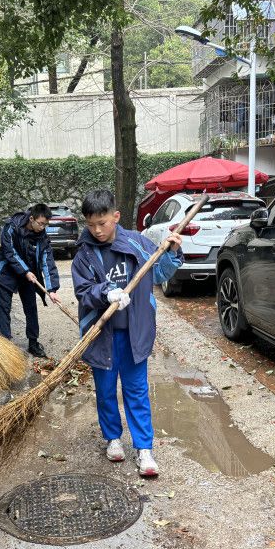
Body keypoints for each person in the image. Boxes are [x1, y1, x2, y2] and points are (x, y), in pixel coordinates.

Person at [71, 190, 183, 477]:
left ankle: (144, 448)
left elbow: (159, 274)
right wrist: (106, 292)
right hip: (101, 335)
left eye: (103, 223)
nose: (97, 231)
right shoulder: (84, 254)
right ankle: (113, 439)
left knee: (136, 391)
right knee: (106, 392)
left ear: (116, 216)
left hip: (135, 334)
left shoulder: (137, 242)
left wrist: (170, 251)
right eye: (91, 225)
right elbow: (83, 292)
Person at [0, 203, 60, 358]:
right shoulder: (12, 226)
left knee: (31, 308)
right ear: (32, 218)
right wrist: (25, 271)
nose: (43, 227)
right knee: (4, 308)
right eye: (41, 223)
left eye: (46, 224)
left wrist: (52, 289)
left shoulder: (42, 237)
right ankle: (5, 343)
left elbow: (47, 262)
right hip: (7, 272)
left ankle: (33, 342)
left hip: (29, 275)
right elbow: (9, 251)